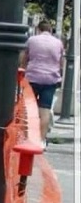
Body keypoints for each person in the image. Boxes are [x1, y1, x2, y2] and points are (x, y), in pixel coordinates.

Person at [21, 20, 64, 149]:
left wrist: (23, 71)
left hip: (32, 77)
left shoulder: (32, 40)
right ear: (50, 30)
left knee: (28, 108)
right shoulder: (58, 43)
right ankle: (41, 141)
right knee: (44, 110)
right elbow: (60, 62)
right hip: (50, 79)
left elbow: (24, 58)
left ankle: (25, 138)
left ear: (39, 29)